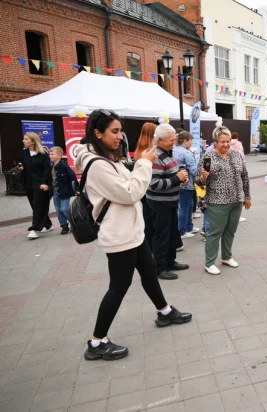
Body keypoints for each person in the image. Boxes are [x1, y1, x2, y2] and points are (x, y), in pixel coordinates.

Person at [74, 109, 192, 361]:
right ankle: (96, 343)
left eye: (120, 131)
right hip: (119, 236)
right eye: (114, 132)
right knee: (119, 286)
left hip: (132, 232)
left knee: (149, 272)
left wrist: (138, 164)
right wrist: (144, 163)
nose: (120, 137)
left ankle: (164, 311)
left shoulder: (107, 158)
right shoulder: (97, 165)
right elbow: (130, 193)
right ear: (98, 133)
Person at [198, 126, 251, 275]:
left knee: (230, 231)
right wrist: (203, 177)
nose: (226, 144)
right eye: (222, 142)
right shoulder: (208, 158)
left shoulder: (236, 155)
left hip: (236, 200)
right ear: (215, 142)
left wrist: (247, 196)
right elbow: (198, 180)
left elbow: (245, 176)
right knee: (215, 232)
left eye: (228, 141)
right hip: (217, 201)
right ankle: (209, 263)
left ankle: (227, 257)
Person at [147, 124, 190, 280]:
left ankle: (170, 262)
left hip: (170, 201)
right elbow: (154, 184)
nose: (174, 142)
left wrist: (181, 180)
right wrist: (176, 179)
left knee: (172, 234)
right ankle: (159, 268)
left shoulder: (167, 153)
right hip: (160, 204)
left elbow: (171, 176)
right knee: (161, 236)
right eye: (171, 140)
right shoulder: (155, 156)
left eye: (174, 139)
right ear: (160, 140)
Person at [19, 132, 53, 240]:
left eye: (26, 139)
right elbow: (22, 163)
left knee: (37, 206)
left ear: (33, 141)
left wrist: (44, 183)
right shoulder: (24, 153)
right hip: (28, 183)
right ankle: (47, 225)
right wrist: (21, 167)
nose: (23, 141)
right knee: (35, 206)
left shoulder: (43, 155)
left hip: (40, 184)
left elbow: (46, 171)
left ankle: (34, 229)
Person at [134, 122, 157, 250]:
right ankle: (150, 245)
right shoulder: (149, 150)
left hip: (143, 188)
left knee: (147, 217)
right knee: (151, 219)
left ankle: (148, 244)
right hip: (149, 186)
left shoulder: (140, 147)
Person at [173, 131, 199, 239]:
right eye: (190, 140)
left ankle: (188, 226)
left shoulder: (173, 150)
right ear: (185, 141)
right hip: (186, 183)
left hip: (176, 181)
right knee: (185, 206)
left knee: (188, 204)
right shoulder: (186, 153)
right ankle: (182, 230)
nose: (191, 143)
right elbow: (194, 170)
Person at [49, 147, 77, 235]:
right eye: (50, 154)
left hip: (64, 191)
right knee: (58, 210)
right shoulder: (52, 166)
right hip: (55, 191)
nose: (50, 156)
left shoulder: (63, 166)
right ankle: (64, 226)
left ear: (59, 155)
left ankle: (74, 224)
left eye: (52, 154)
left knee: (64, 208)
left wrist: (76, 188)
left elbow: (72, 176)